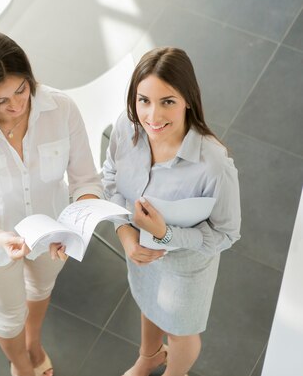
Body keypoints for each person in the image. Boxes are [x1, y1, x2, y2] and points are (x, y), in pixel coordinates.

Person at [0, 31, 103, 376]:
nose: (16, 106)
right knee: (7, 312)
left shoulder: (61, 109)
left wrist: (75, 226)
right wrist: (1, 238)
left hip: (54, 233)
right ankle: (20, 365)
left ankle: (34, 344)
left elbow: (86, 181)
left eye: (21, 90)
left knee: (42, 287)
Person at [102, 47, 241, 376]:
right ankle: (148, 356)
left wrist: (166, 235)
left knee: (180, 331)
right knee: (148, 303)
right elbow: (109, 178)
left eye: (167, 102)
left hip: (186, 267)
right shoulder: (126, 126)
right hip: (138, 251)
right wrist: (125, 235)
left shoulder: (213, 164)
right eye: (143, 100)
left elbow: (226, 234)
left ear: (188, 100)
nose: (152, 116)